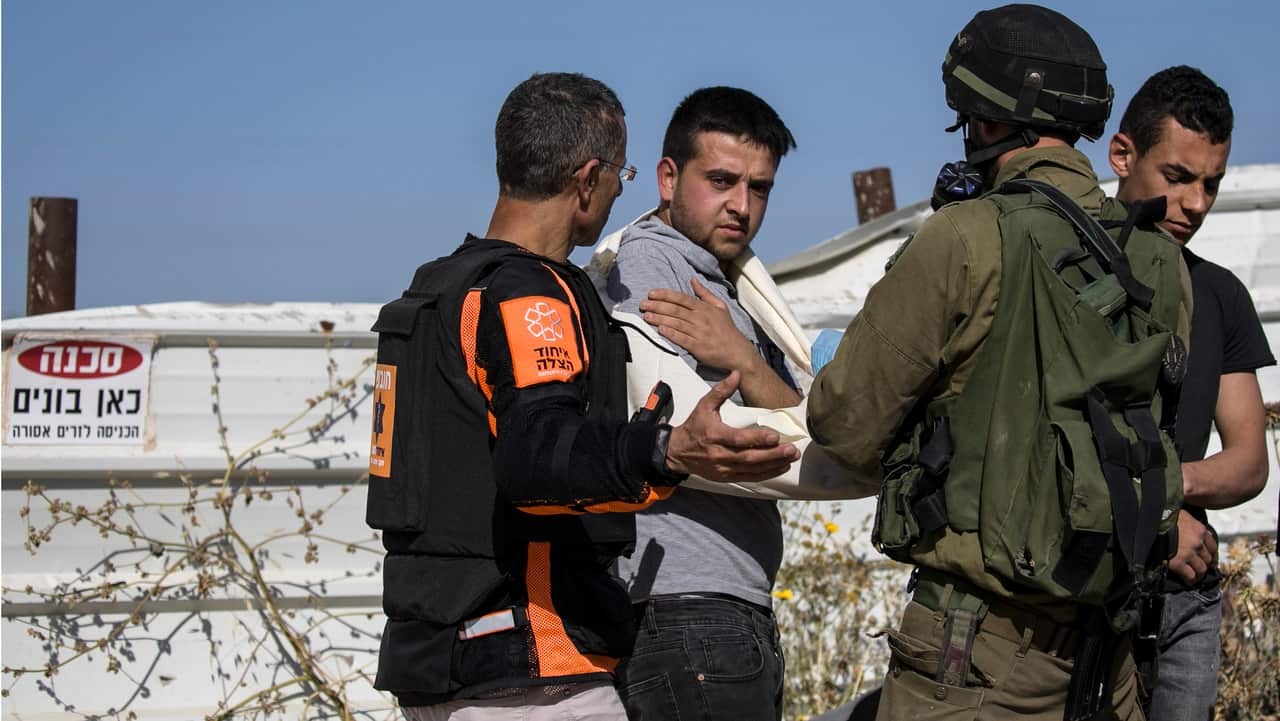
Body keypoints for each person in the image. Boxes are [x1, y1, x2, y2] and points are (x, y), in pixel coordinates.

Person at [366, 72, 799, 721]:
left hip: (431, 667)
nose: (620, 194)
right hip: (528, 673)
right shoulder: (530, 294)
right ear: (590, 179)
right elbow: (539, 453)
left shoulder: (431, 293)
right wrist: (666, 450)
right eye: (622, 177)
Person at [808, 5, 1192, 720]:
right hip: (1109, 658)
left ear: (983, 122)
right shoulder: (1160, 259)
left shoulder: (963, 236)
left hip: (973, 652)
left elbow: (844, 423)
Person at [589, 86, 870, 721]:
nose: (741, 206)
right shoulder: (651, 269)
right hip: (685, 610)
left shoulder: (731, 283)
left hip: (727, 611)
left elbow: (796, 413)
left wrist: (742, 358)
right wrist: (857, 460)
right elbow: (687, 431)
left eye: (759, 187)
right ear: (667, 178)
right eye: (721, 181)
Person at [1109, 65, 1272, 721]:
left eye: (1212, 184)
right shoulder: (1067, 274)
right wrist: (1153, 514)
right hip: (1085, 588)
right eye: (1177, 177)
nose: (1197, 203)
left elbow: (1249, 461)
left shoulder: (1220, 294)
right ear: (1122, 155)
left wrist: (1166, 491)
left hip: (1184, 594)